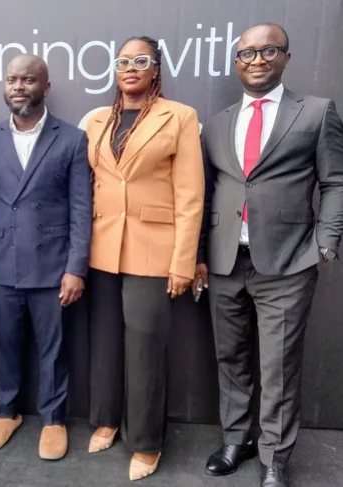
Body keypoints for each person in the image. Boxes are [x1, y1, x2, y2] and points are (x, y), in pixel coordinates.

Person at [196, 23, 343, 487]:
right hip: (224, 261)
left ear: (286, 57)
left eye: (268, 51)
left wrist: (326, 242)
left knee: (278, 366)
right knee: (230, 358)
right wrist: (199, 255)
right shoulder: (216, 123)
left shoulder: (316, 112)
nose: (257, 60)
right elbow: (206, 191)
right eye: (247, 53)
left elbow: (335, 182)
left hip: (288, 262)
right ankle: (235, 440)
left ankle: (274, 458)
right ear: (236, 62)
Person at [85, 36, 204, 481]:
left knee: (145, 350)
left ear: (156, 69)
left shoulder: (180, 116)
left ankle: (146, 441)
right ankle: (106, 419)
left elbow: (190, 195)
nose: (130, 68)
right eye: (123, 61)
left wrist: (183, 261)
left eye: (141, 61)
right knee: (104, 344)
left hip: (154, 250)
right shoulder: (97, 120)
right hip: (101, 248)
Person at [0, 54, 92, 461]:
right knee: (4, 344)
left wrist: (76, 268)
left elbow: (81, 209)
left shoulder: (71, 139)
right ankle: (6, 413)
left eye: (27, 80)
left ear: (45, 87)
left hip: (53, 265)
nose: (18, 87)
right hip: (1, 262)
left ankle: (54, 419)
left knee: (53, 350)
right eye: (12, 80)